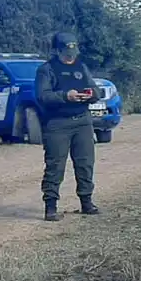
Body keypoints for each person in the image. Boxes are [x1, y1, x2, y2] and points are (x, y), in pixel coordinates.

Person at [35, 31, 100, 222]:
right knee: (55, 166)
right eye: (66, 51)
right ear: (57, 50)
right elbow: (42, 96)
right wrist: (65, 96)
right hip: (57, 124)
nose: (71, 55)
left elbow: (95, 89)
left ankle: (86, 202)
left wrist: (91, 94)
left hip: (82, 121)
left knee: (85, 163)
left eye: (73, 50)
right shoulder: (46, 69)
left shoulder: (81, 66)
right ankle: (51, 206)